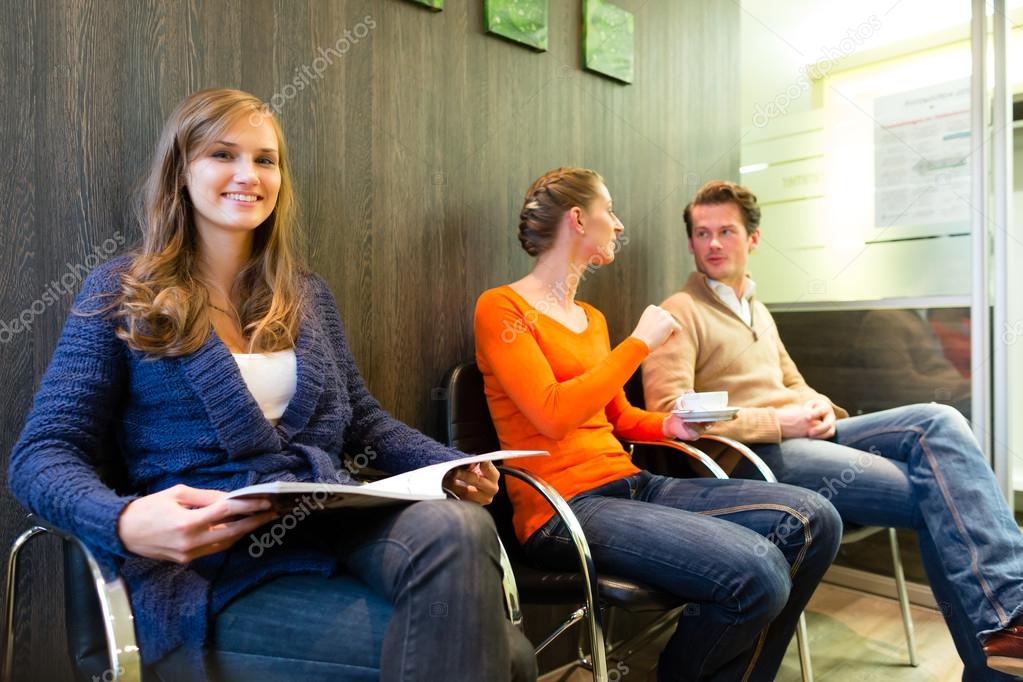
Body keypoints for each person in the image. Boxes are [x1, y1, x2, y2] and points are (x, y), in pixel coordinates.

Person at [8, 88, 536, 682]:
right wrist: (124, 520)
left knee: (458, 523)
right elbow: (41, 454)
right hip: (209, 573)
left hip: (332, 528)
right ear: (182, 170)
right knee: (509, 658)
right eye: (223, 156)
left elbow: (362, 419)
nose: (248, 175)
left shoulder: (306, 295)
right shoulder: (121, 292)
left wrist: (449, 465)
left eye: (265, 160)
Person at [642, 179, 1023, 679]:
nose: (713, 243)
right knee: (943, 497)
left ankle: (1009, 620)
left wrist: (820, 405)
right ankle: (1001, 645)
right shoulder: (679, 312)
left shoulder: (756, 308)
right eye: (702, 233)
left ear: (752, 239)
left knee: (940, 420)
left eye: (726, 232)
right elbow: (670, 413)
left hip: (804, 436)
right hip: (756, 459)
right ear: (690, 241)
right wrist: (779, 421)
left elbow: (795, 383)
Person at [473, 167, 842, 681]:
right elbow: (552, 414)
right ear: (579, 220)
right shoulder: (502, 308)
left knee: (813, 520)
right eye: (611, 212)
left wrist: (673, 427)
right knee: (756, 572)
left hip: (632, 485)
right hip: (565, 509)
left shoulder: (592, 318)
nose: (620, 226)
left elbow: (617, 417)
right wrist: (639, 344)